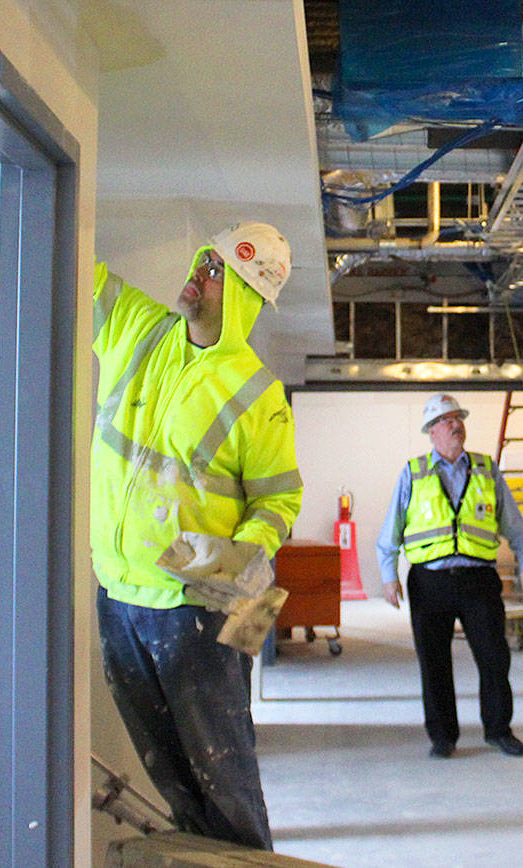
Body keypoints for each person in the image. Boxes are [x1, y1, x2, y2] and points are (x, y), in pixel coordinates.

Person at [90, 221, 303, 850]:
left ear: (241, 298)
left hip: (197, 605)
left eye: (218, 272)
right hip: (119, 594)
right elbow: (79, 268)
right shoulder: (139, 328)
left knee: (225, 774)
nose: (200, 275)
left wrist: (243, 554)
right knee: (170, 774)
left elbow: (279, 499)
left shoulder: (257, 391)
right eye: (204, 260)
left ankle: (247, 863)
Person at [377, 393, 523, 759]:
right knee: (434, 661)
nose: (456, 424)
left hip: (478, 580)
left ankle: (498, 730)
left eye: (458, 418)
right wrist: (389, 576)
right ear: (432, 431)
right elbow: (391, 531)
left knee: (494, 657)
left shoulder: (486, 469)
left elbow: (515, 524)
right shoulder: (413, 473)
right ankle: (443, 737)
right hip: (429, 582)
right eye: (447, 419)